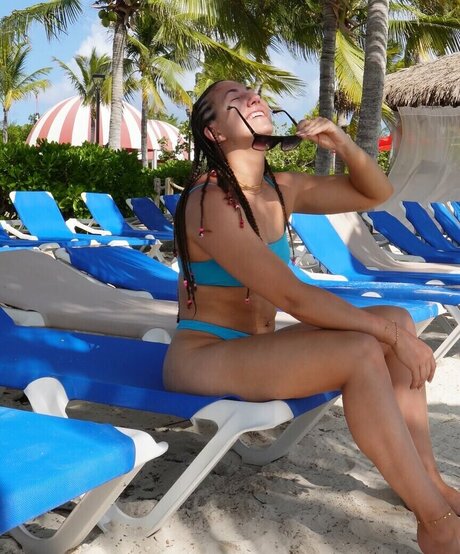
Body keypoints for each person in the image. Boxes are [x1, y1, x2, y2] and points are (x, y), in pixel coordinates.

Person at [163, 80, 460, 553]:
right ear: (214, 133)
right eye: (234, 100)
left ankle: (430, 484)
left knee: (400, 319)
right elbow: (293, 297)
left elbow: (376, 191)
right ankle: (437, 524)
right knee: (364, 349)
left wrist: (342, 143)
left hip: (256, 348)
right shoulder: (210, 200)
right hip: (206, 353)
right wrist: (388, 337)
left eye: (253, 92)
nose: (252, 98)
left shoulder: (280, 188)